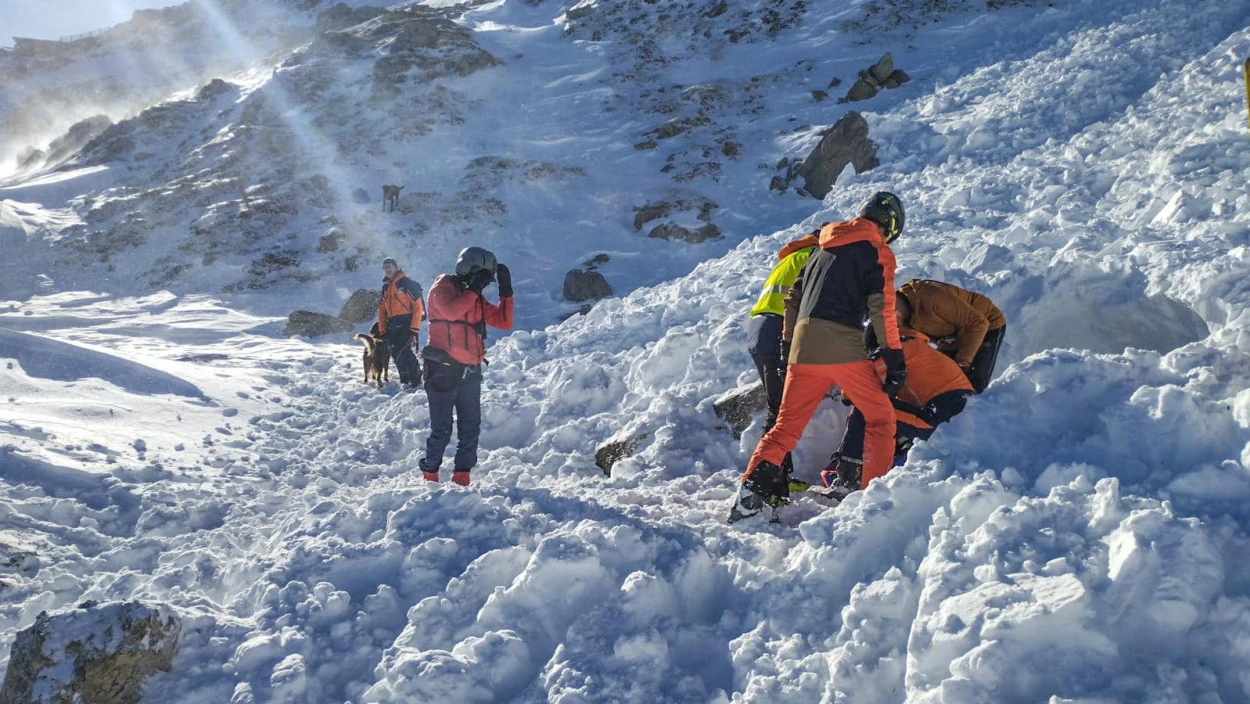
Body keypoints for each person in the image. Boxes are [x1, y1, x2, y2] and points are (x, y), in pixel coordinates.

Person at [730, 192, 908, 522]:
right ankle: (873, 501)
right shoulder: (876, 250)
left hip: (802, 346)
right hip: (841, 342)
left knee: (785, 427)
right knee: (880, 417)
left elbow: (793, 300)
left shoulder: (822, 247)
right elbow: (881, 307)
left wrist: (787, 346)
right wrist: (893, 356)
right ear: (891, 226)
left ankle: (750, 494)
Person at [821, 327, 973, 498]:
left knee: (867, 408)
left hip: (942, 418)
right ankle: (861, 470)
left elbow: (851, 391)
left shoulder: (896, 351)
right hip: (951, 416)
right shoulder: (914, 347)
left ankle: (846, 481)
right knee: (881, 410)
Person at [419, 246, 513, 485]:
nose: (483, 283)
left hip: (470, 369)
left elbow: (503, 322)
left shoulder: (474, 297)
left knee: (470, 427)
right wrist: (473, 289)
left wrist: (506, 290)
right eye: (483, 277)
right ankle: (430, 475)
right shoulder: (442, 287)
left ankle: (462, 476)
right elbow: (451, 312)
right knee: (441, 428)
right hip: (442, 368)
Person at [746, 229, 820, 472]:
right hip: (779, 327)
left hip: (759, 328)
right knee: (781, 416)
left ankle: (779, 477)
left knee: (777, 408)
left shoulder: (793, 255)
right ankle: (765, 479)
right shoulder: (815, 254)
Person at [896, 279, 1005, 393]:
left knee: (973, 383)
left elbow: (979, 324)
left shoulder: (933, 297)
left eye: (895, 321)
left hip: (986, 325)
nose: (896, 326)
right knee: (945, 380)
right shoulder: (903, 317)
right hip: (954, 334)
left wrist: (962, 363)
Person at [378, 257, 425, 388]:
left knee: (405, 351)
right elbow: (382, 310)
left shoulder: (405, 283)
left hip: (406, 322)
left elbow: (418, 306)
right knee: (395, 352)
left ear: (396, 267)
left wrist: (414, 329)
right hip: (392, 324)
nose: (387, 269)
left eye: (389, 266)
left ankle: (416, 380)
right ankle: (404, 380)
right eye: (385, 267)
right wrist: (382, 330)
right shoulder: (386, 287)